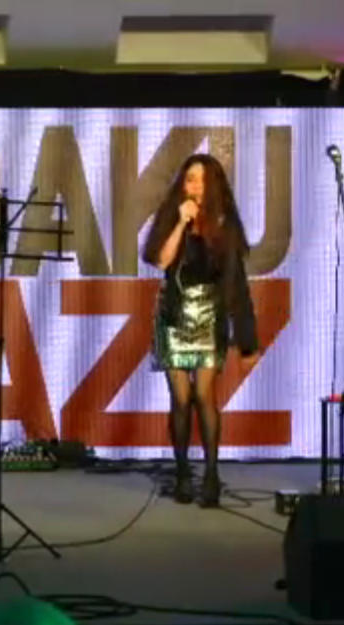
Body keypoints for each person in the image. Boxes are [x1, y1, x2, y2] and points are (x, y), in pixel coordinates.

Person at [142, 154, 259, 507]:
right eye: (190, 178)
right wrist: (180, 223)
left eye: (202, 180)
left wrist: (247, 341)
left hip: (209, 315)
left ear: (214, 186)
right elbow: (160, 260)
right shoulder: (172, 215)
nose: (195, 186)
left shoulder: (225, 224)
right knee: (180, 399)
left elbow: (237, 285)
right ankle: (182, 473)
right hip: (174, 315)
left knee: (204, 395)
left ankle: (210, 474)